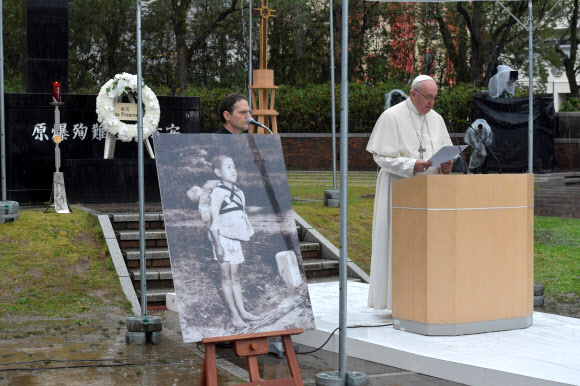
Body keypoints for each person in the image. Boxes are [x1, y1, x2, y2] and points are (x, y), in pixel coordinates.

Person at [366, 75, 454, 311]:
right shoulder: (391, 116)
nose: (431, 103)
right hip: (399, 188)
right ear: (413, 94)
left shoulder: (437, 119)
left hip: (429, 194)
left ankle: (427, 297)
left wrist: (446, 165)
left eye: (434, 98)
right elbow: (380, 156)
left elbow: (445, 151)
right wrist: (411, 165)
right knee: (399, 245)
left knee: (428, 246)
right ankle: (397, 300)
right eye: (427, 97)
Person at [207, 155, 259, 328]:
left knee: (235, 277)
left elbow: (241, 217)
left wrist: (243, 235)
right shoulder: (217, 192)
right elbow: (213, 220)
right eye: (228, 167)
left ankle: (243, 311)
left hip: (235, 242)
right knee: (226, 277)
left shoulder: (240, 193)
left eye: (234, 166)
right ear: (218, 172)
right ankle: (234, 314)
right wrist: (217, 245)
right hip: (222, 241)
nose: (233, 170)